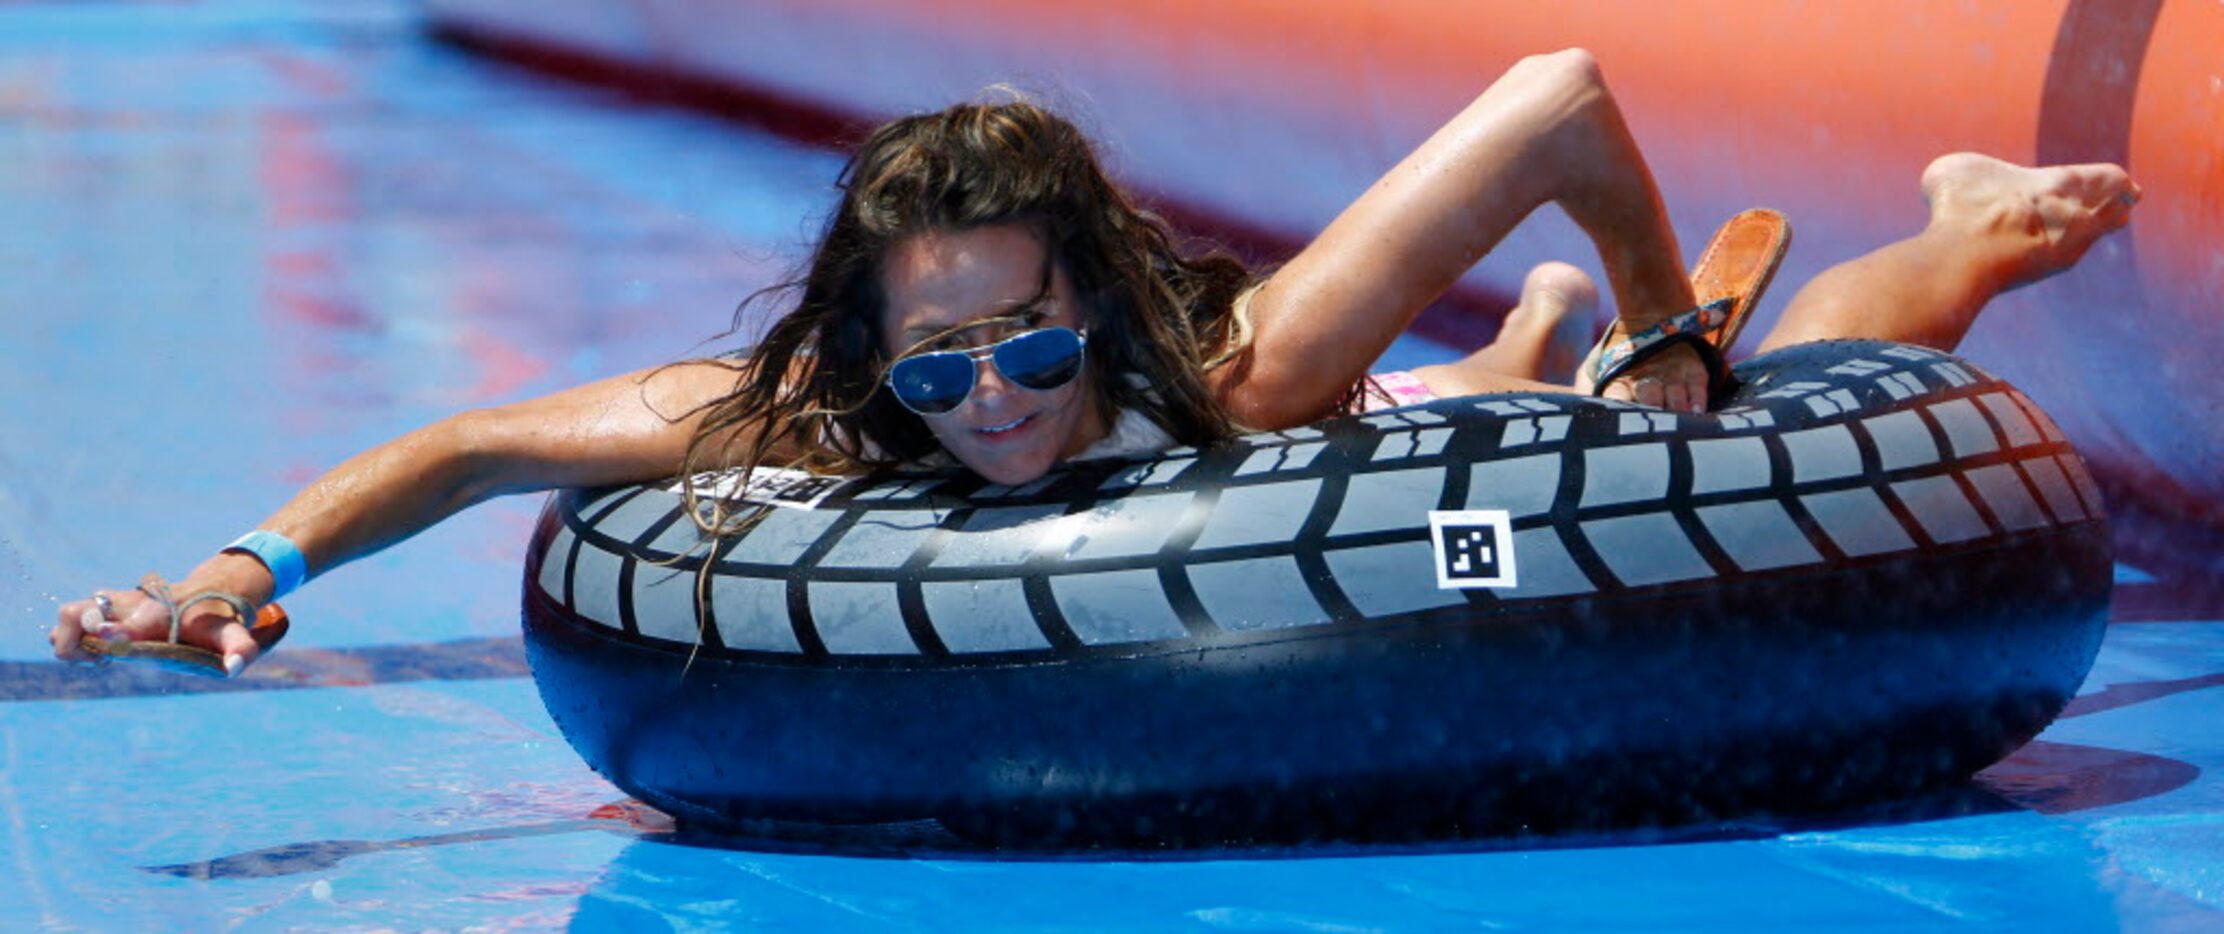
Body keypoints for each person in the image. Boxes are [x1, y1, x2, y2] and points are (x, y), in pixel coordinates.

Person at [50, 49, 2138, 676]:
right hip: (1316, 493)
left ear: (1101, 309)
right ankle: (1560, 341)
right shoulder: (828, 408)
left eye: (1028, 343)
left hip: (1401, 470)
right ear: (872, 347)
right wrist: (246, 564)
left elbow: (1563, 95)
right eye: (935, 364)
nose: (989, 403)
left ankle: (1939, 226)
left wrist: (1676, 322)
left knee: (1718, 405)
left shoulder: (1241, 361)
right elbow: (478, 441)